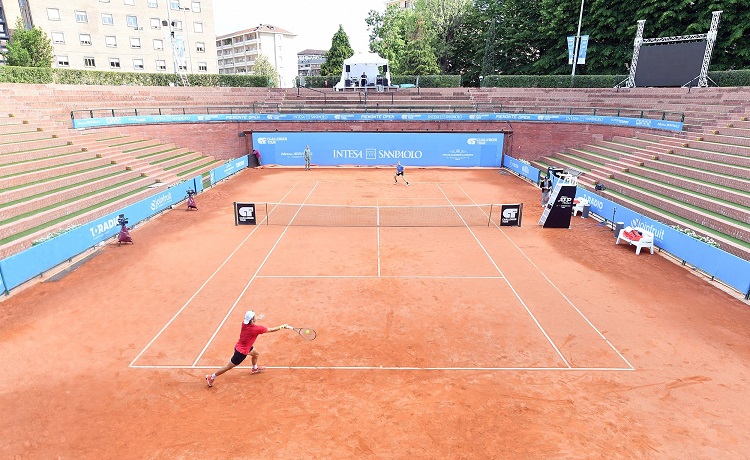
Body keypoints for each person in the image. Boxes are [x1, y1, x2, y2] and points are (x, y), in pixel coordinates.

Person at [205, 310, 289, 387]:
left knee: (256, 354)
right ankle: (211, 377)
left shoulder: (244, 324)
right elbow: (271, 330)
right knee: (228, 367)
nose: (256, 317)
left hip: (242, 346)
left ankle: (254, 368)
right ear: (252, 320)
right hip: (241, 353)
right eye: (255, 317)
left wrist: (258, 318)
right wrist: (282, 326)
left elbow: (251, 321)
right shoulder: (257, 329)